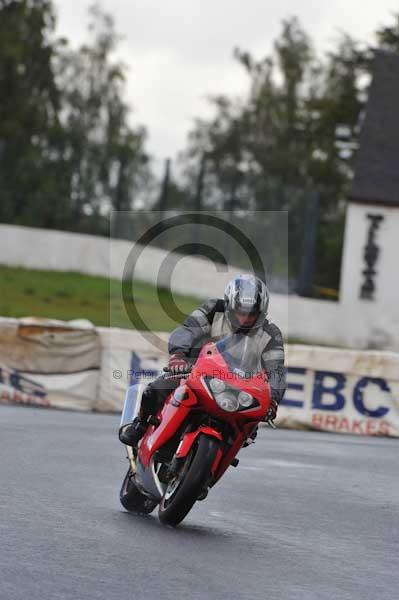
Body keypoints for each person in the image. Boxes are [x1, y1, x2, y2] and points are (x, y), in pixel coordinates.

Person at [119, 274, 286, 447]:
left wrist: (272, 400)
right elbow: (188, 330)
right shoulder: (213, 309)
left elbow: (277, 370)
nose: (245, 318)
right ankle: (140, 424)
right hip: (196, 372)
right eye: (240, 312)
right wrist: (178, 356)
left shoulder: (271, 333)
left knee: (249, 429)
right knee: (156, 389)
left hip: (239, 388)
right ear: (230, 305)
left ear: (261, 312)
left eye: (251, 314)